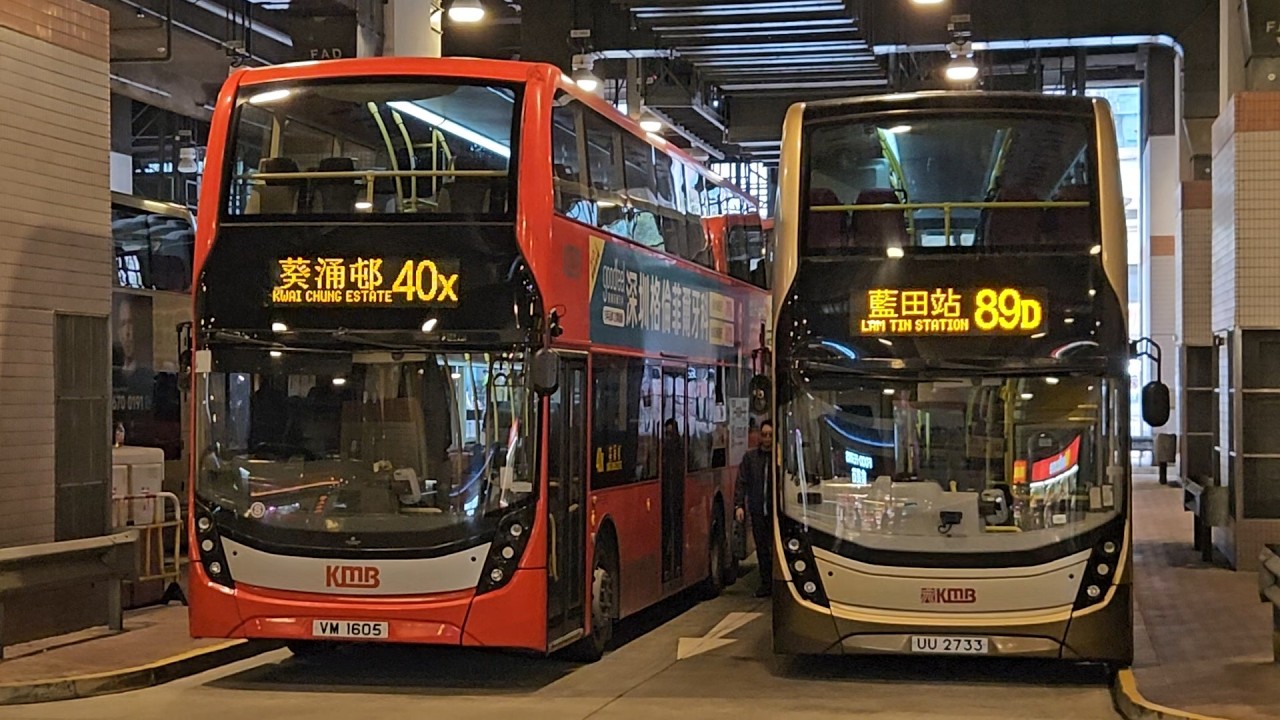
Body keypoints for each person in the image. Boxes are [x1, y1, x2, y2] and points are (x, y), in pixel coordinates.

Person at [735, 420, 774, 597]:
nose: (767, 439)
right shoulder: (750, 458)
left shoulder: (780, 458)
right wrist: (739, 505)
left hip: (776, 513)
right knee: (762, 548)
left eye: (770, 435)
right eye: (764, 435)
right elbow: (741, 482)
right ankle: (765, 583)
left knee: (775, 548)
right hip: (758, 510)